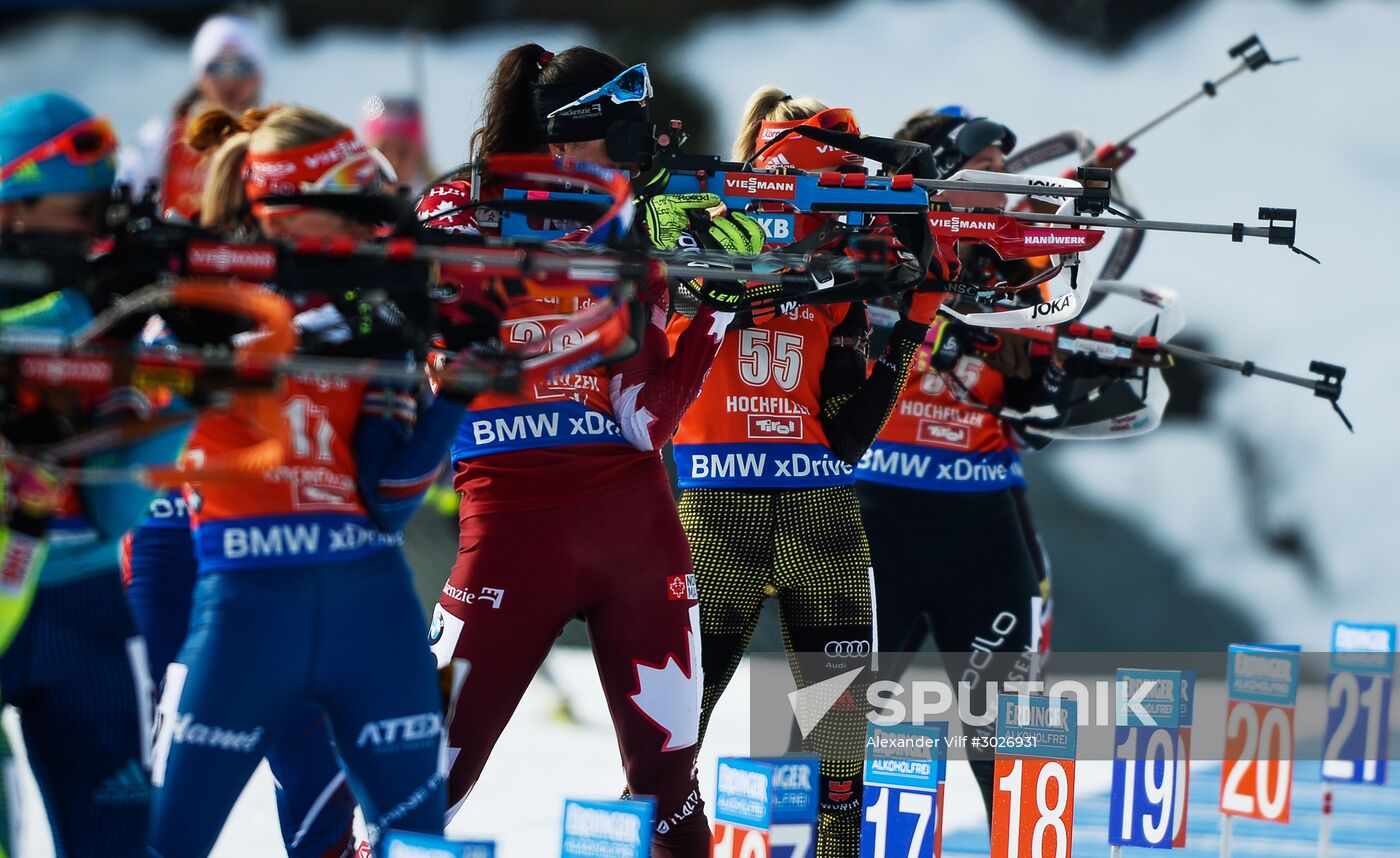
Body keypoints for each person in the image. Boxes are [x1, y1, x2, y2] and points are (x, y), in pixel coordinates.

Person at [420, 44, 761, 858]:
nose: (643, 153)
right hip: (509, 527)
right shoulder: (457, 206)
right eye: (628, 134)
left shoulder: (631, 239)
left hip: (635, 532)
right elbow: (435, 352)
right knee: (423, 789)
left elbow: (646, 418)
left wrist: (711, 306)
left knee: (671, 798)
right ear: (569, 137)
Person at [146, 104, 462, 858]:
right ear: (285, 213)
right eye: (355, 215)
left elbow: (387, 503)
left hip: (370, 603)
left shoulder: (374, 315)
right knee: (162, 842)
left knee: (407, 842)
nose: (368, 235)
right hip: (242, 597)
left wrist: (457, 387)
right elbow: (148, 415)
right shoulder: (195, 299)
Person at [671, 86, 941, 858]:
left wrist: (913, 321)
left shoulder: (841, 273)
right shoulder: (698, 226)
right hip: (717, 516)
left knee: (841, 755)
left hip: (821, 511)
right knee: (669, 738)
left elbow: (848, 436)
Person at [855, 107, 1061, 824]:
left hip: (983, 518)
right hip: (879, 513)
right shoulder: (880, 240)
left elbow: (1037, 414)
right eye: (989, 168)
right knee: (836, 722)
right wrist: (934, 327)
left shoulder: (1028, 258)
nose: (1005, 181)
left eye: (1008, 168)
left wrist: (1046, 377)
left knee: (1008, 738)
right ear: (939, 170)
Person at [0, 90, 189, 858]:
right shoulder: (68, 309)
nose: (97, 233)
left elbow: (114, 510)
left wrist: (172, 384)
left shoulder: (92, 309)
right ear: (16, 207)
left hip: (87, 608)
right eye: (82, 213)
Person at [118, 12, 265, 220]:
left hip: (252, 251)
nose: (230, 80)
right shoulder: (165, 135)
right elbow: (123, 191)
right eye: (217, 67)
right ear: (199, 76)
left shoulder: (272, 136)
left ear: (259, 75)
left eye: (242, 67)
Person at [361, 95, 434, 197]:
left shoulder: (436, 203)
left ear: (419, 156)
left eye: (402, 153)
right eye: (381, 152)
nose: (393, 163)